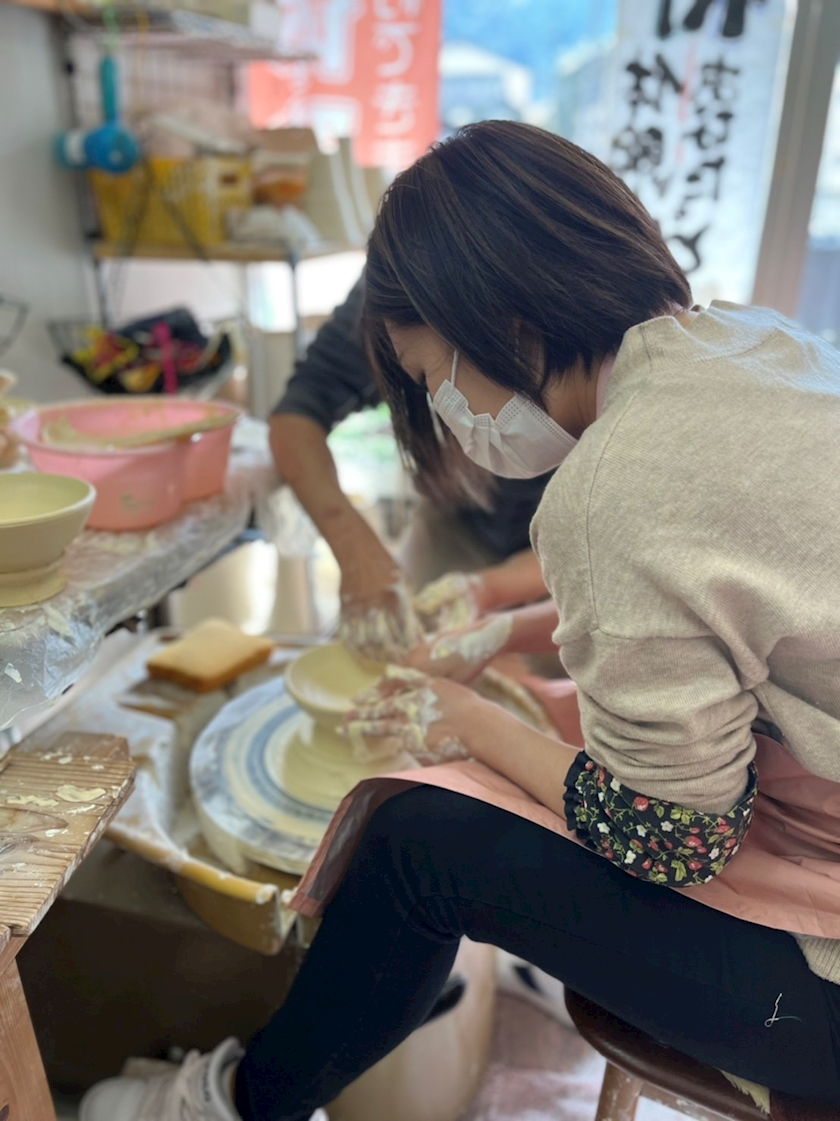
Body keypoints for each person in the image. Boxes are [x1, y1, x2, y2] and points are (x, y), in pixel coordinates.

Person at [81, 120, 840, 1121]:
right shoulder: (751, 341)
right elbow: (709, 606)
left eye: (431, 374)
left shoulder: (618, 483)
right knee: (540, 731)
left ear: (507, 321)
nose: (439, 407)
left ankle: (233, 1104)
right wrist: (501, 628)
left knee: (415, 844)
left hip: (818, 990)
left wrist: (464, 717)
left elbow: (671, 837)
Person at [268, 275, 549, 660]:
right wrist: (358, 554)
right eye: (423, 378)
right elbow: (297, 414)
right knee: (406, 663)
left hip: (590, 553)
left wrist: (496, 600)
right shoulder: (397, 280)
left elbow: (608, 542)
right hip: (461, 518)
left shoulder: (603, 348)